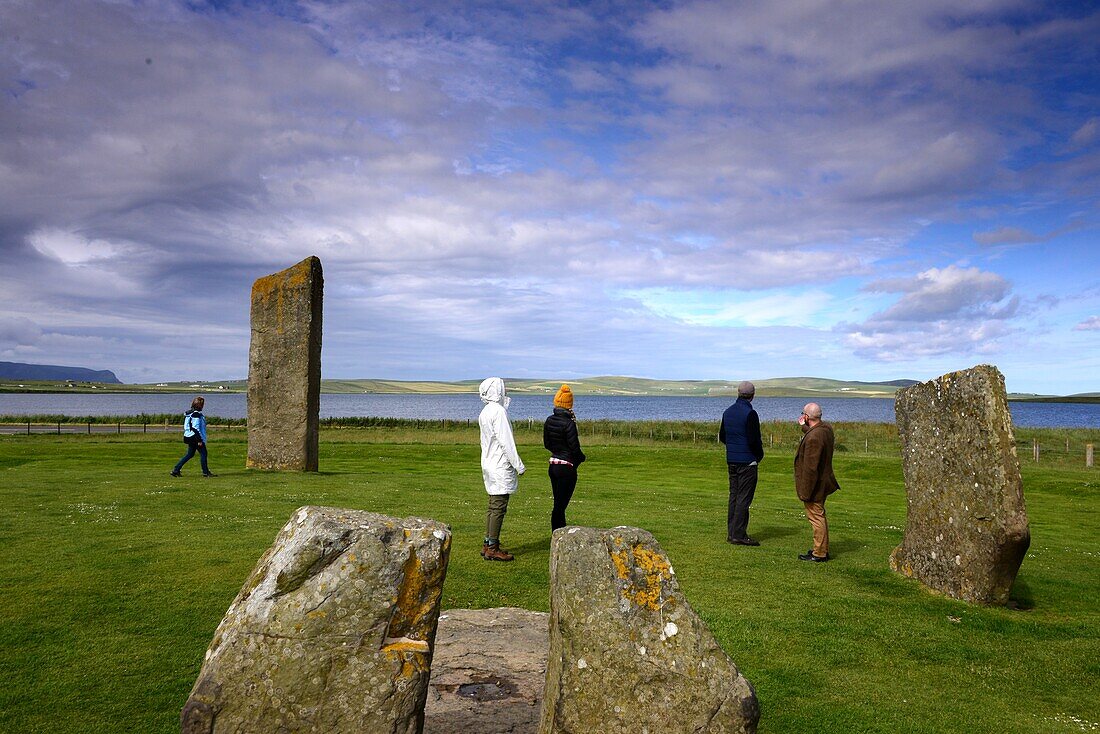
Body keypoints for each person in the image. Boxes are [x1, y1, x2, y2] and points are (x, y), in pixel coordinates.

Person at [478, 377, 525, 561]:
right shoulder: (498, 412)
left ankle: (488, 542)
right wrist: (518, 465)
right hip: (499, 463)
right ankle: (492, 547)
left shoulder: (486, 412)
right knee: (498, 506)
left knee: (493, 505)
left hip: (489, 462)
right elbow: (507, 442)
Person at [719, 381, 764, 545]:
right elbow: (754, 440)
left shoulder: (728, 412)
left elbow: (723, 436)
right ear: (752, 395)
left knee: (734, 496)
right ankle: (739, 534)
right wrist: (758, 455)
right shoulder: (750, 414)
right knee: (744, 498)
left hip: (732, 459)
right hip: (747, 461)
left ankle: (732, 532)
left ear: (738, 393)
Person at [794, 402, 840, 562]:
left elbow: (810, 469)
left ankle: (819, 553)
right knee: (819, 515)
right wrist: (804, 427)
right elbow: (815, 433)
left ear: (806, 416)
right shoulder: (826, 429)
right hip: (824, 481)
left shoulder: (814, 437)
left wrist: (805, 492)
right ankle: (821, 549)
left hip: (816, 484)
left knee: (816, 517)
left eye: (803, 414)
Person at [543, 384, 586, 531]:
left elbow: (547, 443)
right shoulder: (569, 423)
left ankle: (559, 532)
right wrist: (581, 458)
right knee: (560, 506)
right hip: (566, 467)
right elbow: (575, 447)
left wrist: (558, 450)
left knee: (558, 503)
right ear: (570, 405)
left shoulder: (549, 420)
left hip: (553, 464)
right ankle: (558, 535)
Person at [171, 396, 215, 477]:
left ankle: (176, 470)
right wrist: (199, 440)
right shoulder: (196, 415)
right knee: (203, 454)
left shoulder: (189, 414)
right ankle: (206, 472)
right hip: (195, 437)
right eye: (202, 404)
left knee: (190, 454)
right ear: (200, 405)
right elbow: (195, 428)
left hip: (189, 436)